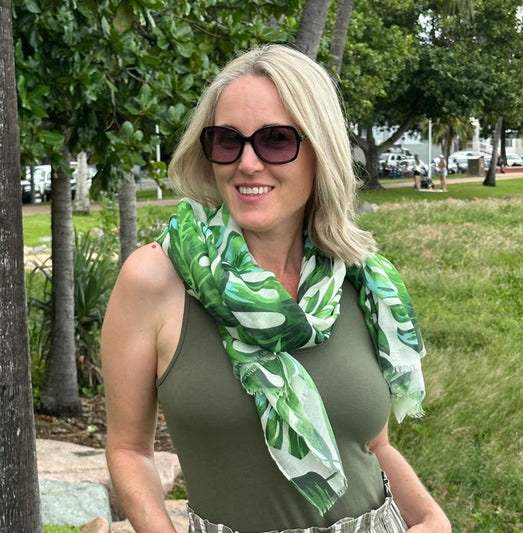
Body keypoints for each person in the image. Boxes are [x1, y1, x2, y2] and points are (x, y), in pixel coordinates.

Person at [102, 44, 451, 533]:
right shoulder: (155, 280)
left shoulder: (358, 278)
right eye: (227, 140)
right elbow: (127, 449)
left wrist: (431, 518)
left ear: (320, 149)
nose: (246, 164)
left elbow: (374, 444)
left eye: (275, 140)